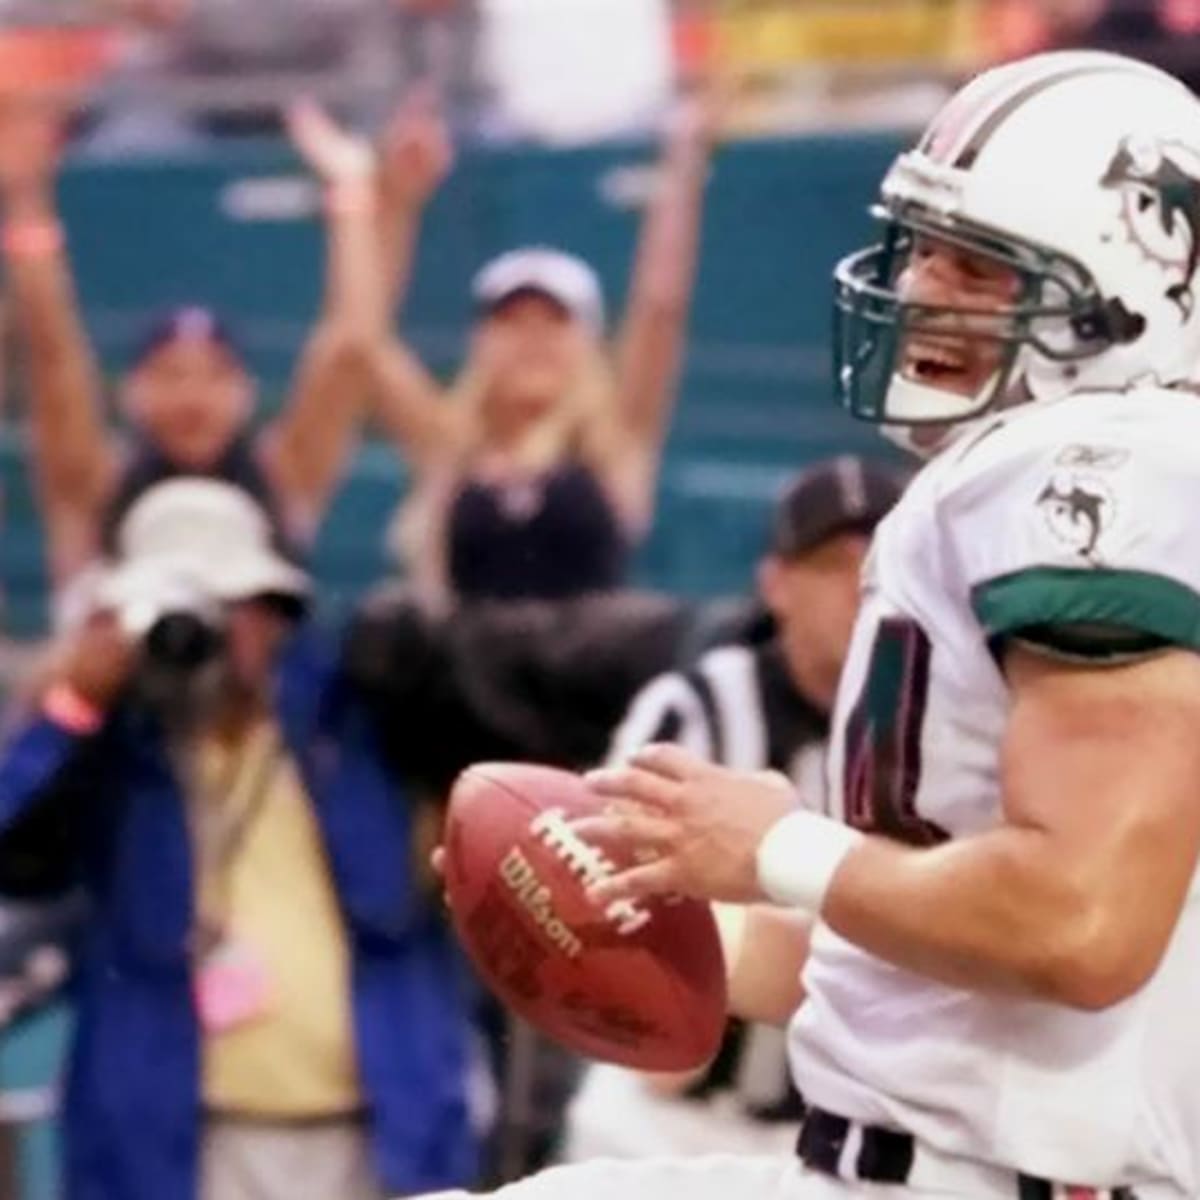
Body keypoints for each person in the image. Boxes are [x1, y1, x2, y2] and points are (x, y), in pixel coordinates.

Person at [423, 48, 1200, 1200]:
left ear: (1126, 303)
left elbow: (1081, 924)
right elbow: (929, 961)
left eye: (980, 267)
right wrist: (627, 910)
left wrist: (779, 848)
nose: (923, 288)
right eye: (923, 247)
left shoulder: (1097, 474)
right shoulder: (1030, 473)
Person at [0, 479, 476, 1200]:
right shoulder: (116, 750)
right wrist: (74, 705)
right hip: (174, 1141)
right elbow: (14, 855)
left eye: (237, 606)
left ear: (275, 609)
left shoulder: (353, 712)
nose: (218, 637)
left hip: (378, 1131)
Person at [567, 455, 904, 1164]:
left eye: (877, 566)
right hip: (664, 1118)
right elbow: (600, 872)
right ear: (776, 584)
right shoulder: (697, 708)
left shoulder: (930, 728)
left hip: (836, 1130)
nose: (858, 590)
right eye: (833, 565)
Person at [0, 91, 448, 602]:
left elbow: (352, 346)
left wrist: (363, 199)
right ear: (131, 393)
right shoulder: (94, 487)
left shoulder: (283, 479)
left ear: (247, 393)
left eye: (215, 375)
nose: (192, 396)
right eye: (170, 374)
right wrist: (26, 197)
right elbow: (52, 354)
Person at [364, 88, 716, 605]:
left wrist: (682, 167)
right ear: (479, 344)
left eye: (554, 322)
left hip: (584, 659)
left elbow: (660, 308)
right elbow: (366, 342)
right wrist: (395, 203)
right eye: (510, 322)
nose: (532, 341)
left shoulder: (613, 446)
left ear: (589, 344)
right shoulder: (444, 446)